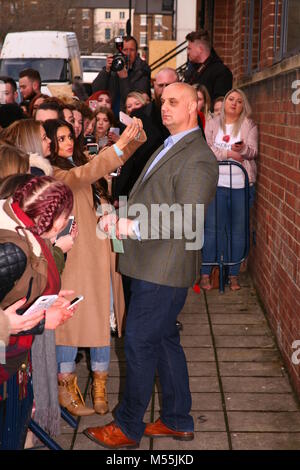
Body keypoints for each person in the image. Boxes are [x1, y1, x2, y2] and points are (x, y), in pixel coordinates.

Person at [83, 82, 218, 449]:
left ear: (195, 107)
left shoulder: (199, 157)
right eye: (163, 102)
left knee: (140, 341)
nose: (165, 108)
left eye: (174, 102)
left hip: (164, 268)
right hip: (152, 264)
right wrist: (121, 213)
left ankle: (127, 426)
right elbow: (157, 197)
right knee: (163, 341)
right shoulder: (171, 144)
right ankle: (177, 419)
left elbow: (188, 218)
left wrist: (133, 225)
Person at [43, 118, 146, 416]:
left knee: (104, 316)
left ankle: (100, 383)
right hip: (77, 256)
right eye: (59, 138)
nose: (66, 142)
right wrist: (120, 145)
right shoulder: (56, 172)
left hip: (103, 250)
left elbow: (104, 165)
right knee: (71, 321)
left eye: (68, 136)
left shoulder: (81, 162)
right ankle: (66, 386)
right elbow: (87, 173)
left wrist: (134, 137)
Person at [0, 175, 76, 449]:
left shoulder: (23, 229)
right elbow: (7, 319)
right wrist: (43, 320)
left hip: (14, 359)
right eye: (65, 216)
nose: (67, 222)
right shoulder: (13, 248)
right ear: (51, 216)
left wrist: (48, 300)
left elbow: (15, 294)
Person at [200, 88, 258, 291]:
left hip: (241, 186)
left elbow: (252, 151)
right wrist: (229, 154)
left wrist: (242, 149)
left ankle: (233, 275)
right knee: (212, 230)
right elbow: (207, 149)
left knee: (238, 231)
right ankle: (206, 273)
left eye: (239, 101)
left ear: (244, 106)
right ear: (224, 102)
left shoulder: (248, 125)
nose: (234, 103)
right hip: (217, 185)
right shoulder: (213, 123)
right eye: (231, 99)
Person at [92, 36, 151, 115]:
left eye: (132, 50)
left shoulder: (142, 70)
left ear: (136, 52)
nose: (128, 53)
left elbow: (135, 100)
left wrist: (124, 78)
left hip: (129, 118)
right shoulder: (114, 67)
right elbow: (96, 90)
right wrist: (106, 71)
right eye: (125, 50)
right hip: (110, 117)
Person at [184, 30, 233, 104]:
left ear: (200, 49)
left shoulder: (221, 72)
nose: (187, 52)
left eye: (189, 48)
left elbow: (219, 103)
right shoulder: (192, 71)